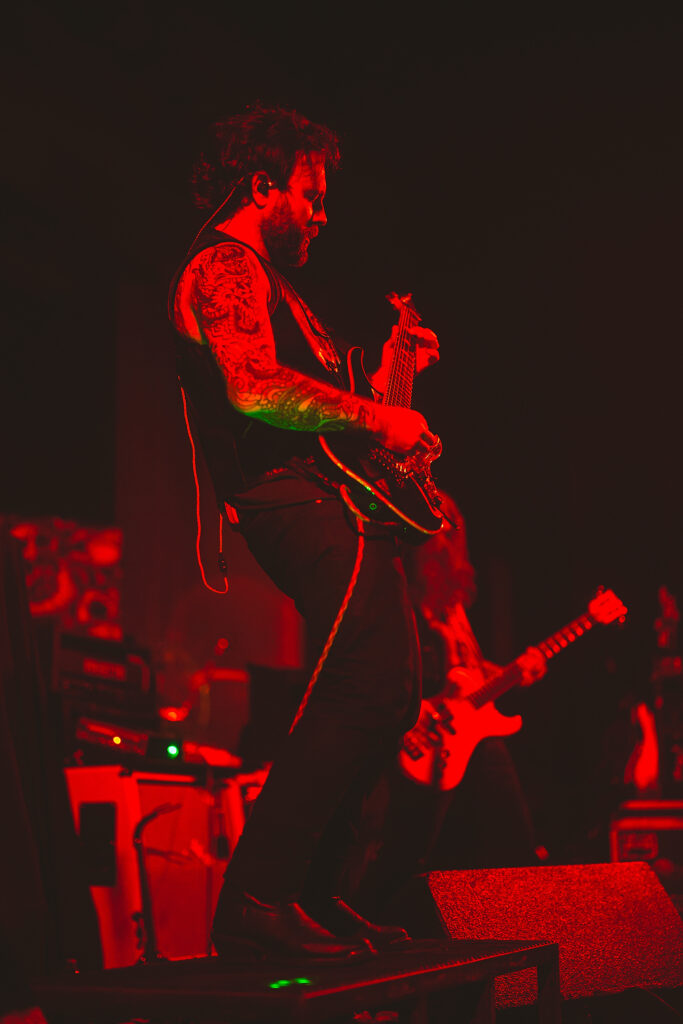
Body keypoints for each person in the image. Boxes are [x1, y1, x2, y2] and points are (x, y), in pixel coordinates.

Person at [168, 104, 440, 959]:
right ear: (262, 186)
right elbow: (252, 386)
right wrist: (380, 417)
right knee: (364, 679)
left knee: (393, 691)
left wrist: (389, 377)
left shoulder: (279, 289)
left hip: (326, 492)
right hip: (285, 497)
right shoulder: (225, 263)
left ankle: (313, 895)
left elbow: (325, 404)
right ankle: (255, 899)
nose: (321, 215)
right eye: (310, 196)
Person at [341, 493, 548, 922]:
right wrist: (417, 714)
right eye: (440, 522)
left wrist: (515, 672)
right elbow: (381, 668)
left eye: (453, 525)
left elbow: (469, 672)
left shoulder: (453, 606)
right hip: (426, 735)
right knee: (411, 849)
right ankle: (363, 925)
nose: (448, 536)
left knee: (498, 846)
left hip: (470, 735)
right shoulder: (399, 593)